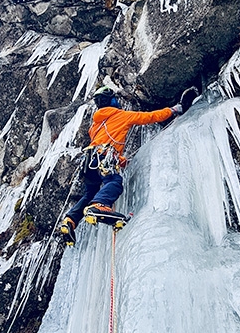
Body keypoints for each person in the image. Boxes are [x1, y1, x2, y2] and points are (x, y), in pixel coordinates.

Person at [58, 85, 182, 245]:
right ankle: (99, 206)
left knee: (89, 193)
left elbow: (104, 142)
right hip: (103, 157)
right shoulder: (121, 115)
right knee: (114, 182)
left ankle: (70, 221)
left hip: (89, 162)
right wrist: (173, 110)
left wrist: (122, 161)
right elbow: (150, 117)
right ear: (111, 101)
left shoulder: (95, 125)